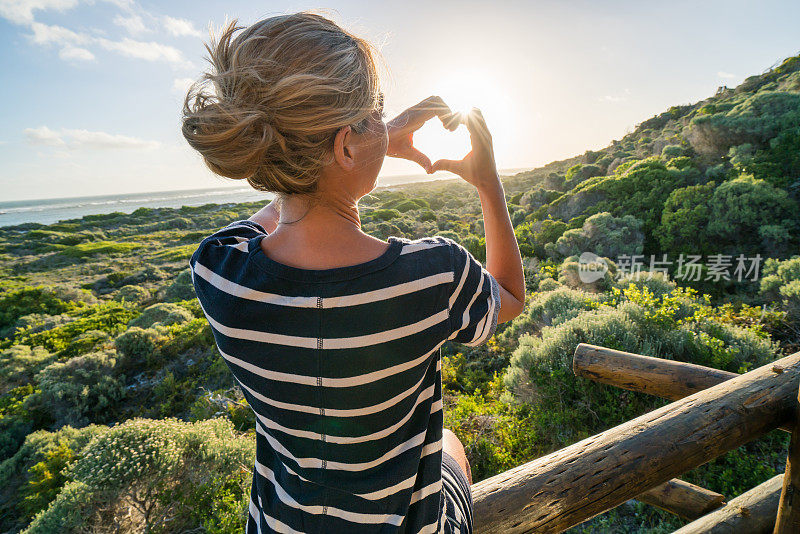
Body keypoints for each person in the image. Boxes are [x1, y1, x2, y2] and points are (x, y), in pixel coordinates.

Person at [183, 12, 525, 534]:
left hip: (279, 526)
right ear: (345, 144)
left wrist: (367, 137)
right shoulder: (432, 275)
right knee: (452, 444)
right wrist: (487, 182)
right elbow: (510, 295)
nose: (385, 126)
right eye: (377, 112)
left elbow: (276, 214)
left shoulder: (217, 271)